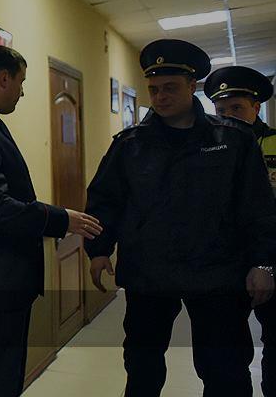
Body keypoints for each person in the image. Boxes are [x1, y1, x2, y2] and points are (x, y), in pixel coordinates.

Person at [85, 39, 276, 397]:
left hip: (217, 272)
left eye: (170, 87)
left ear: (192, 86)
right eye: (154, 89)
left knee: (225, 370)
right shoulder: (130, 145)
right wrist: (98, 249)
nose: (160, 97)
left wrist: (262, 262)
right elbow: (105, 201)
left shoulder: (233, 140)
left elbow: (257, 208)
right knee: (141, 367)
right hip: (149, 272)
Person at [0, 45, 102, 397]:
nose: (22, 92)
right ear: (3, 79)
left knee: (4, 377)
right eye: (21, 82)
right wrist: (60, 218)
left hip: (4, 280)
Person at [204, 65, 276, 395]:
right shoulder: (208, 147)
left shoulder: (273, 143)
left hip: (271, 255)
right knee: (226, 350)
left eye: (236, 108)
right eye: (221, 110)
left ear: (256, 107)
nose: (229, 116)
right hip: (226, 261)